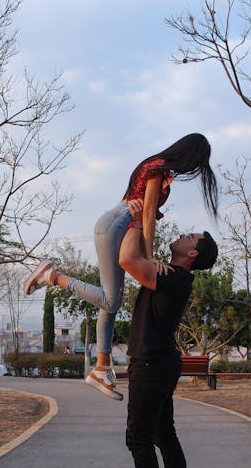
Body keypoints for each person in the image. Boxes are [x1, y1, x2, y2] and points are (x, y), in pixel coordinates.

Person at [22, 133, 218, 402]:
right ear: (188, 155)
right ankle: (52, 276)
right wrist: (149, 259)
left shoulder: (158, 168)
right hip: (118, 226)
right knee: (111, 300)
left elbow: (147, 215)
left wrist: (147, 256)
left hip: (118, 226)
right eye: (194, 163)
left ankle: (102, 367)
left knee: (111, 301)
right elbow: (147, 214)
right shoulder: (158, 169)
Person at [111, 198, 218, 468]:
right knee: (162, 432)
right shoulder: (172, 274)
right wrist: (144, 218)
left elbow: (128, 259)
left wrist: (133, 220)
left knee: (138, 437)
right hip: (160, 360)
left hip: (151, 364)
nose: (184, 235)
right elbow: (138, 257)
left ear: (193, 254)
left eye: (191, 237)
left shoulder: (172, 279)